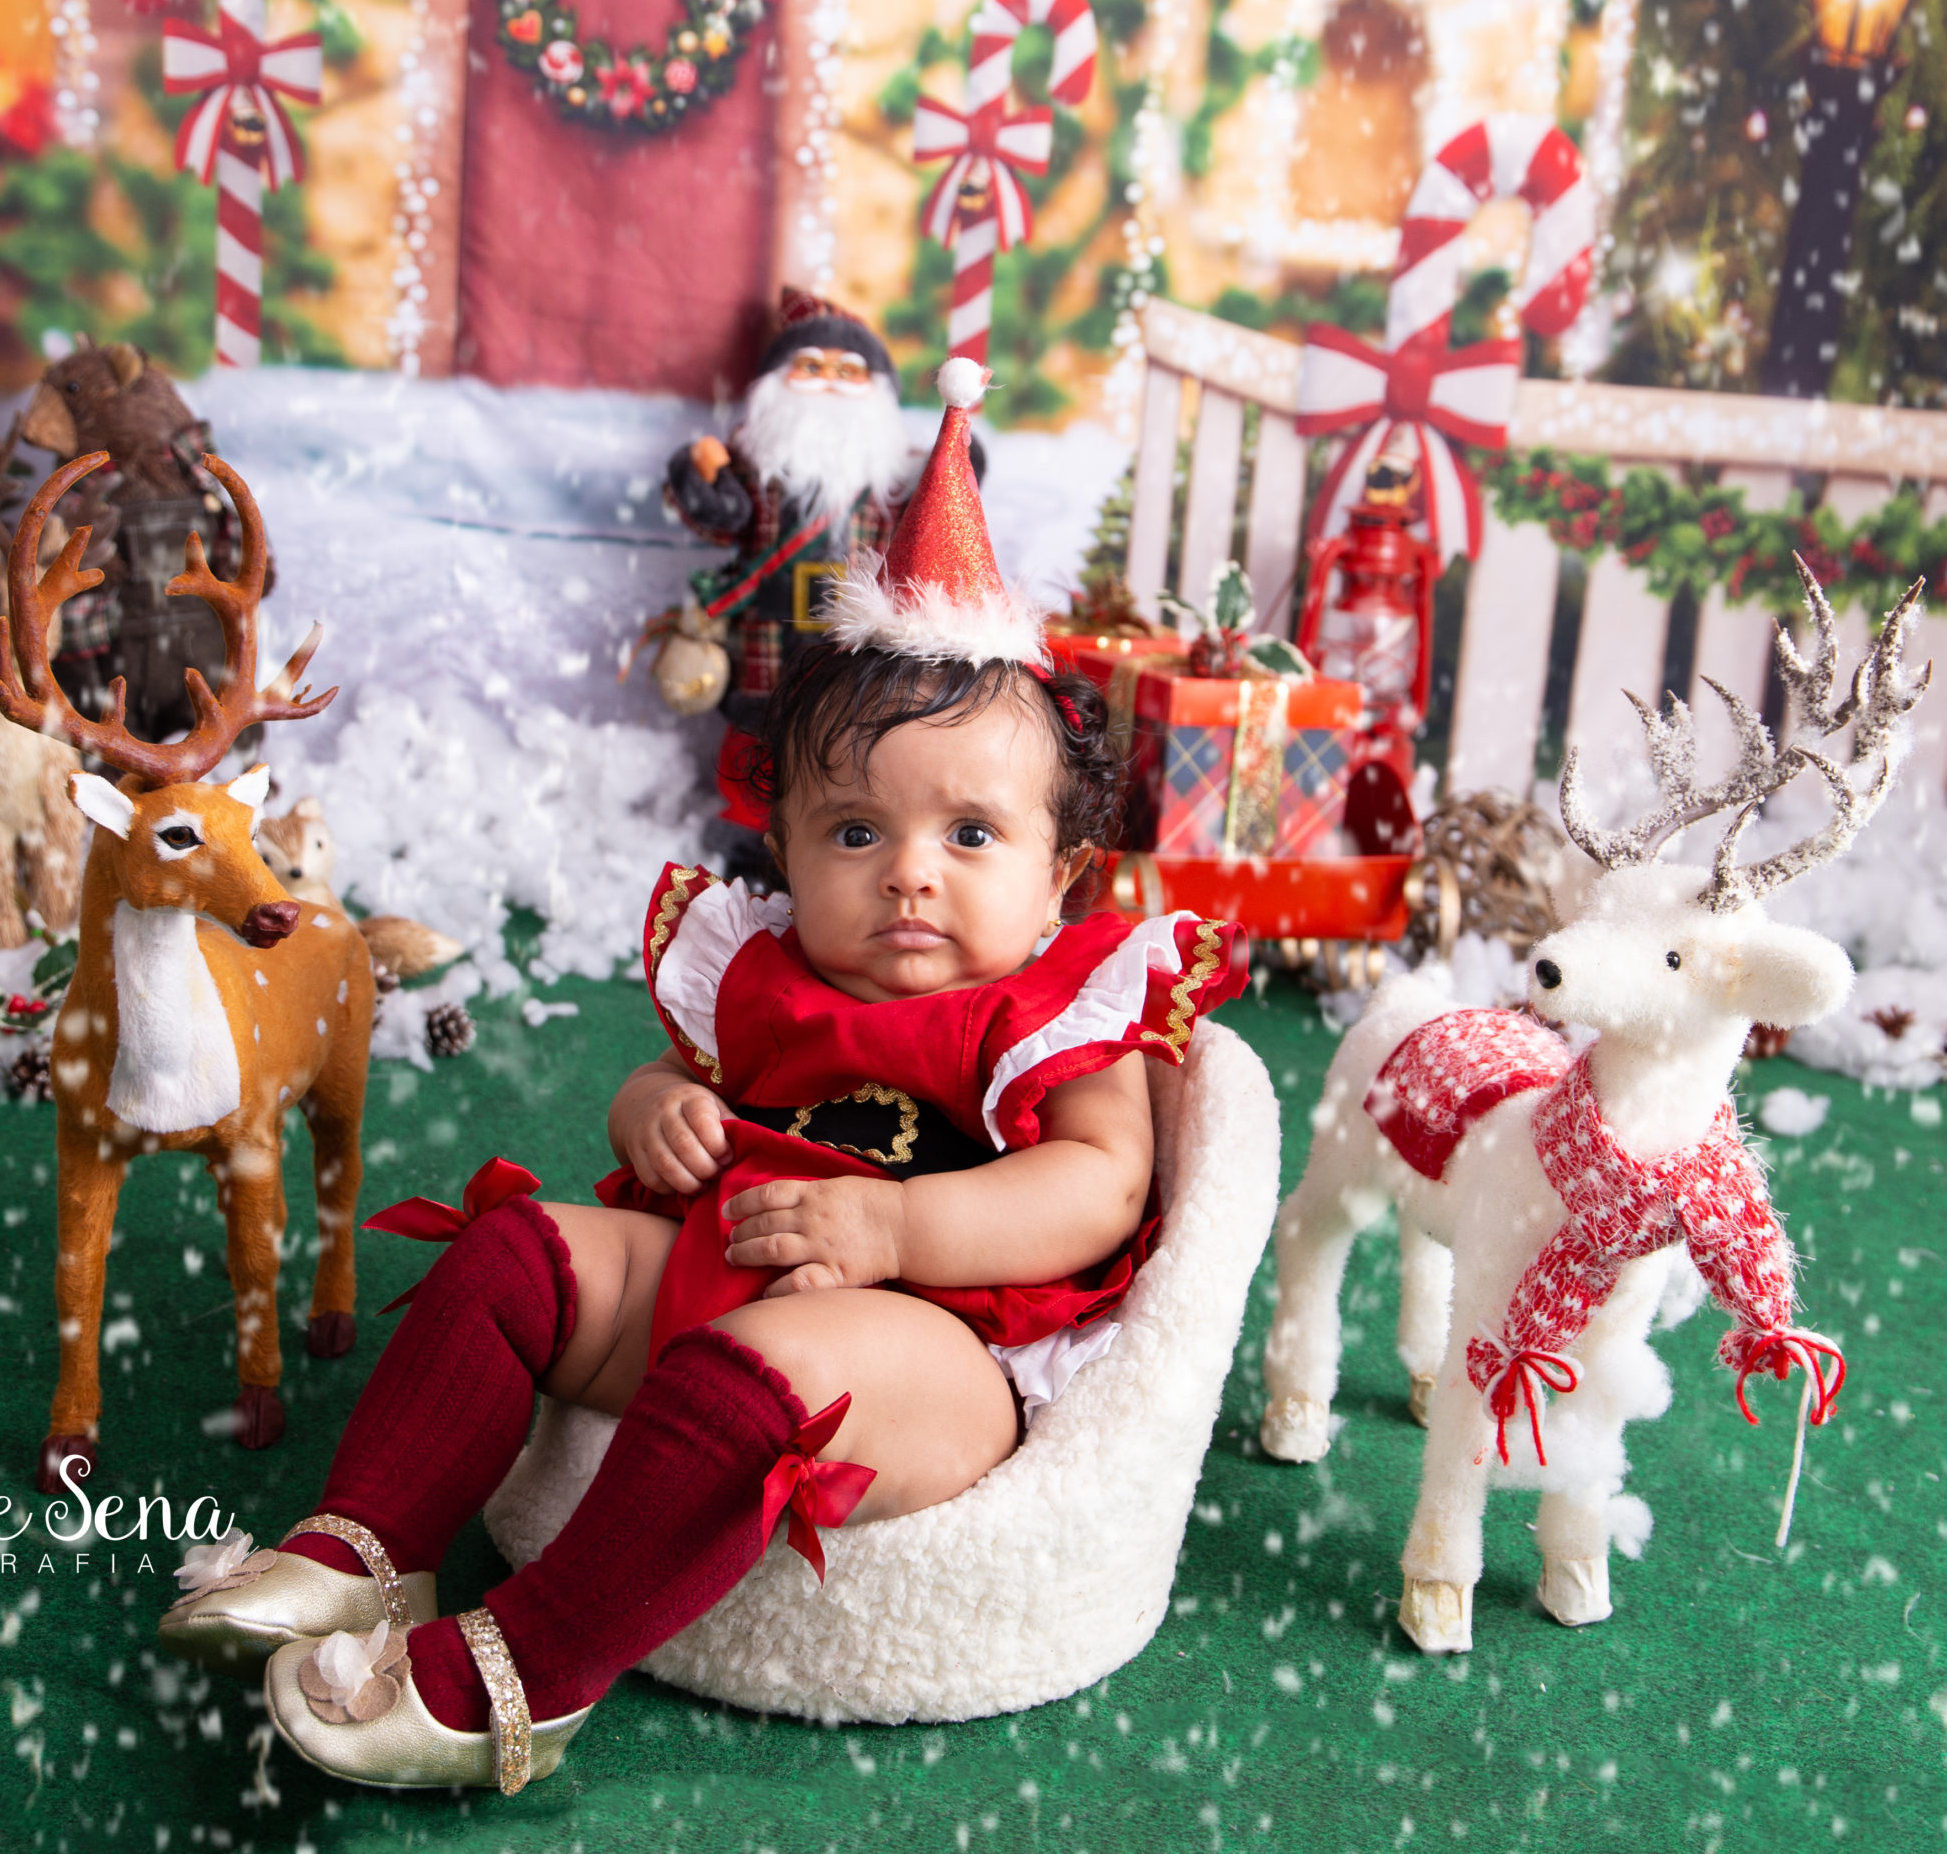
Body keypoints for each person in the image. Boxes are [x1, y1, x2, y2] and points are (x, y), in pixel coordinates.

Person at [165, 360, 1246, 1792]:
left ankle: (531, 1665)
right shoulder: (762, 970)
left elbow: (1100, 1184)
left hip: (936, 1346)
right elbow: (673, 1092)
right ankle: (366, 1542)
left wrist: (898, 1225)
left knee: (766, 1377)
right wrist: (653, 1111)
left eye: (972, 834)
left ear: (1062, 873)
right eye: (854, 831)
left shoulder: (1055, 1004)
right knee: (512, 1252)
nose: (909, 872)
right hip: (714, 1262)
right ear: (784, 845)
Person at [664, 289, 981, 881]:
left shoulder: (892, 472)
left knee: (847, 741)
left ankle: (846, 843)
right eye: (810, 367)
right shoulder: (753, 465)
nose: (830, 382)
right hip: (768, 635)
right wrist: (701, 476)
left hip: (853, 637)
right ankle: (751, 850)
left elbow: (940, 509)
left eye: (848, 370)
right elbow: (719, 519)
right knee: (756, 740)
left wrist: (959, 453)